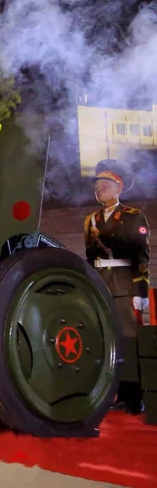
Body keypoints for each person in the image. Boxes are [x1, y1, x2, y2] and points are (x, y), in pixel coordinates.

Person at [84, 159, 151, 413]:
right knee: (108, 339)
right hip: (101, 285)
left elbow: (141, 256)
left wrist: (140, 291)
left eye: (105, 183)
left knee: (129, 340)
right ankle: (113, 390)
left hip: (125, 285)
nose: (98, 188)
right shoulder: (90, 220)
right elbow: (90, 258)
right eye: (97, 183)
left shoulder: (133, 217)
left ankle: (133, 396)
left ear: (118, 187)